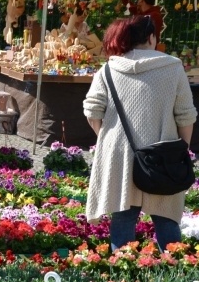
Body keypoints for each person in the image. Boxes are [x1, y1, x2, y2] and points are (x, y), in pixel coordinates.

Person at [84, 15, 196, 252]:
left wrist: (106, 139)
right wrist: (182, 148)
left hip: (120, 153)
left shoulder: (109, 68)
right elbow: (186, 115)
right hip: (164, 152)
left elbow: (92, 110)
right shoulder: (173, 67)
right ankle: (175, 270)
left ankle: (122, 273)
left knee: (123, 216)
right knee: (166, 217)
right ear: (151, 37)